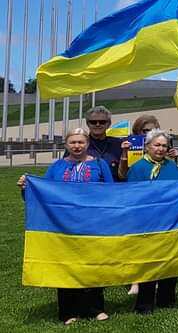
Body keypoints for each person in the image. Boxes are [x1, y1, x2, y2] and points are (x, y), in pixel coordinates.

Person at [18, 127, 112, 325]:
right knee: (66, 267)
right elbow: (44, 193)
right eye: (73, 142)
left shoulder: (99, 164)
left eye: (81, 142)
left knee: (93, 265)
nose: (77, 146)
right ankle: (68, 311)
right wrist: (27, 186)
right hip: (63, 225)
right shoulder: (57, 166)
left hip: (92, 224)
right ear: (66, 144)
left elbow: (112, 192)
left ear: (87, 144)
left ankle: (95, 308)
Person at [126, 129, 178, 314]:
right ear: (147, 146)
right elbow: (132, 197)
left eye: (164, 145)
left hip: (170, 222)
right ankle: (144, 304)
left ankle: (167, 300)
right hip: (146, 223)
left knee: (170, 261)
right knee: (148, 264)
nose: (160, 149)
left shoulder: (172, 167)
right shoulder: (137, 168)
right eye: (157, 145)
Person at [83, 106, 127, 182]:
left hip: (114, 189)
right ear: (87, 124)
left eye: (102, 122)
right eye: (93, 122)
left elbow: (126, 173)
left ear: (109, 124)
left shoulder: (119, 144)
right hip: (88, 190)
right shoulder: (79, 144)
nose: (97, 124)